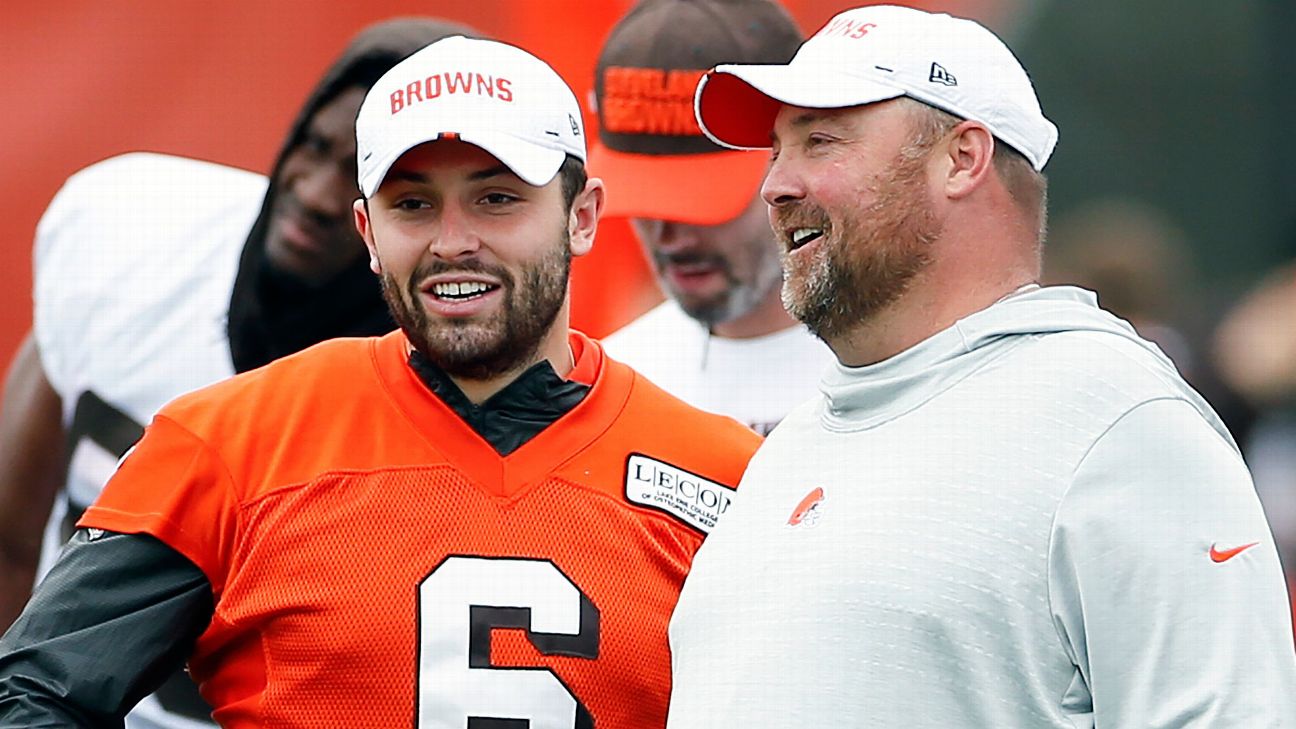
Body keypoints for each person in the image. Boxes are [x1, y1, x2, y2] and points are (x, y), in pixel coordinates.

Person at [0, 36, 761, 728]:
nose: (454, 242)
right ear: (368, 233)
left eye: (497, 197)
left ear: (583, 216)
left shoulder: (725, 477)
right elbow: (33, 693)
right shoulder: (231, 440)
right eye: (413, 204)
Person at [666, 5, 1296, 726]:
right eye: (777, 150)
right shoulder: (790, 447)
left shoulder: (1118, 423)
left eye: (820, 141)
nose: (774, 185)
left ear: (962, 158)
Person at [0, 17, 478, 729]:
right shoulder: (133, 234)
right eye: (313, 147)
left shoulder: (458, 370)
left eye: (361, 174)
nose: (316, 195)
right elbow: (10, 531)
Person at [591, 0, 832, 435]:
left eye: (699, 201)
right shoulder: (609, 391)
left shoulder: (907, 371)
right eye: (645, 202)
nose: (671, 239)